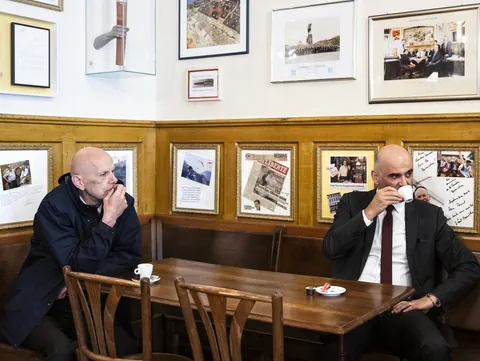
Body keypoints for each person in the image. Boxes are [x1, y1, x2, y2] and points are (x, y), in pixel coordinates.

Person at [322, 144, 480, 361]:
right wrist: (369, 212)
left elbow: (468, 267)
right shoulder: (352, 203)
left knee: (435, 348)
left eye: (408, 174)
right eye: (395, 176)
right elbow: (331, 249)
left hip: (404, 306)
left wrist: (431, 299)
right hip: (356, 307)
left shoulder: (429, 216)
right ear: (375, 177)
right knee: (332, 352)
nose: (404, 183)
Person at [0, 147, 142, 361]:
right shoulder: (53, 207)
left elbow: (129, 256)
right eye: (103, 175)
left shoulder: (122, 200)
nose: (114, 180)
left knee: (124, 344)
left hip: (87, 298)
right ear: (79, 182)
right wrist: (108, 220)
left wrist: (77, 281)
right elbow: (76, 263)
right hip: (42, 302)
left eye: (113, 171)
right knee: (61, 352)